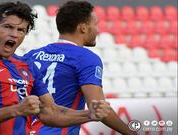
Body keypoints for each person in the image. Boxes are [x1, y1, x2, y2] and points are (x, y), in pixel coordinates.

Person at [0, 1, 112, 135]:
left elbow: (49, 111)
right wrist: (17, 110)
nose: (14, 34)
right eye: (8, 27)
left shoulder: (26, 66)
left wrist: (89, 114)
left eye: (21, 30)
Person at [24, 1, 137, 135]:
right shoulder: (86, 58)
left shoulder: (31, 55)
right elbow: (99, 108)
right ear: (83, 28)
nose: (98, 30)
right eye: (95, 24)